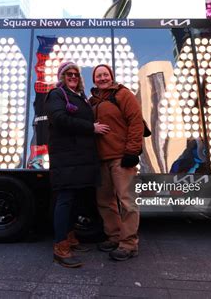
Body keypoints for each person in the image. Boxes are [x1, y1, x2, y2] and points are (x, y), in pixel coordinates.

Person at [45, 61, 110, 268]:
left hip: (80, 159)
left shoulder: (79, 97)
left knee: (74, 200)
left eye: (75, 74)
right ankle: (60, 247)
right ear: (62, 77)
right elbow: (59, 119)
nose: (73, 76)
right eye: (68, 74)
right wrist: (90, 127)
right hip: (66, 158)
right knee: (64, 199)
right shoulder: (56, 94)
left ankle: (70, 238)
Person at [89, 64, 144, 261]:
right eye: (98, 75)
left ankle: (129, 244)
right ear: (94, 79)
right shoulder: (92, 101)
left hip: (121, 157)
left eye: (105, 74)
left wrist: (131, 151)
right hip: (100, 160)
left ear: (111, 76)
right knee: (105, 202)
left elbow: (136, 122)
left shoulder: (122, 94)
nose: (102, 78)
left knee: (127, 201)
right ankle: (114, 237)